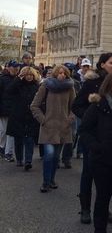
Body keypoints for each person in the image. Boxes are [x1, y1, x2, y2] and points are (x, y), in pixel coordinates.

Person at [79, 72, 112, 233]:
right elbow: (84, 130)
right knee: (102, 198)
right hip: (102, 160)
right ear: (109, 85)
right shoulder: (98, 104)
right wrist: (96, 147)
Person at [72, 52, 112, 224]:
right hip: (92, 136)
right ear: (102, 65)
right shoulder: (92, 83)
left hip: (110, 138)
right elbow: (76, 105)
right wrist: (92, 118)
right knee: (89, 173)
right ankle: (85, 208)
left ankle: (103, 208)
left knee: (106, 177)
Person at [30, 64, 76, 193]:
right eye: (59, 73)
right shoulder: (46, 86)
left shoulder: (70, 88)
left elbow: (74, 106)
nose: (62, 75)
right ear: (55, 74)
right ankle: (45, 182)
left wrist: (69, 119)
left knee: (56, 157)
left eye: (64, 73)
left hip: (63, 127)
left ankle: (51, 179)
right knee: (49, 155)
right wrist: (43, 120)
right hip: (48, 127)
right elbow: (34, 105)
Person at [6, 66, 41, 170]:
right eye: (27, 75)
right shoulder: (18, 85)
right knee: (18, 139)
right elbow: (9, 90)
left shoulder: (36, 86)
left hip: (31, 116)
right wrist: (18, 78)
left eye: (31, 75)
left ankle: (28, 161)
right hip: (18, 115)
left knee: (29, 139)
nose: (29, 77)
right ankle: (20, 159)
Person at [0, 60, 20, 161]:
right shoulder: (3, 79)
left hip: (14, 109)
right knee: (3, 131)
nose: (16, 69)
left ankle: (8, 152)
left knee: (11, 133)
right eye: (13, 67)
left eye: (17, 67)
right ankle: (1, 147)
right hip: (4, 108)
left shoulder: (19, 79)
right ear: (8, 67)